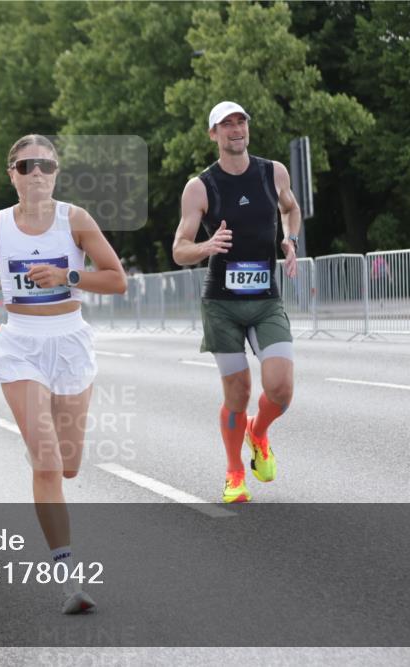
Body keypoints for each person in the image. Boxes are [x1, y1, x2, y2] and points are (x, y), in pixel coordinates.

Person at [0, 134, 127, 614]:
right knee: (47, 463)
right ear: (11, 173)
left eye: (46, 165)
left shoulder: (74, 219)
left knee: (70, 464)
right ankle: (67, 578)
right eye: (27, 165)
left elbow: (117, 279)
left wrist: (67, 277)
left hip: (70, 342)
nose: (37, 173)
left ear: (56, 172)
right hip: (19, 345)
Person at [172, 101, 301, 504]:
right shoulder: (200, 187)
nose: (235, 129)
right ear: (213, 134)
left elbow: (291, 208)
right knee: (238, 393)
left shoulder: (272, 171)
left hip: (265, 299)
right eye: (225, 124)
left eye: (240, 122)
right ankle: (233, 472)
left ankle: (257, 432)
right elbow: (179, 250)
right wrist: (208, 246)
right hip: (222, 305)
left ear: (247, 128)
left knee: (280, 389)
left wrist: (289, 239)